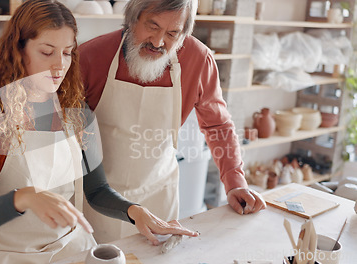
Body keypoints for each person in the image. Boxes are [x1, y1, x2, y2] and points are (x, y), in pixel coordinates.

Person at [0, 0, 198, 263]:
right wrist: (24, 198)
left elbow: (97, 190)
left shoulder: (77, 113)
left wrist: (135, 212)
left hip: (67, 249)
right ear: (18, 51)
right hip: (1, 254)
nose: (59, 65)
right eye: (47, 52)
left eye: (67, 52)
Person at [79, 0, 267, 243]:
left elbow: (218, 125)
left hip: (158, 195)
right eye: (152, 26)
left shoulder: (198, 59)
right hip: (99, 199)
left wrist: (234, 182)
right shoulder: (91, 56)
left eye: (172, 33)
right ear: (132, 19)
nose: (158, 42)